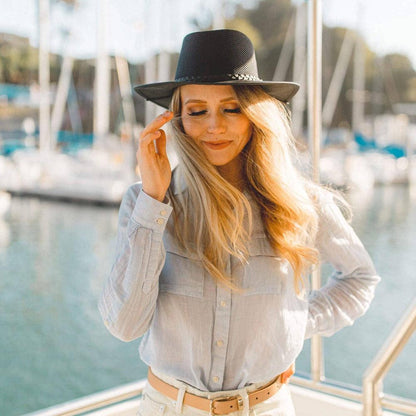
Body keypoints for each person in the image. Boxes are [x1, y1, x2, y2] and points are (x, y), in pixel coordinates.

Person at [99, 29, 380, 416]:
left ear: (255, 114)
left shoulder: (300, 202)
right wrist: (153, 200)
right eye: (197, 111)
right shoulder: (145, 202)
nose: (215, 125)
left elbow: (360, 279)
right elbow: (125, 325)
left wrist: (292, 326)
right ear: (178, 119)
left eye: (232, 109)